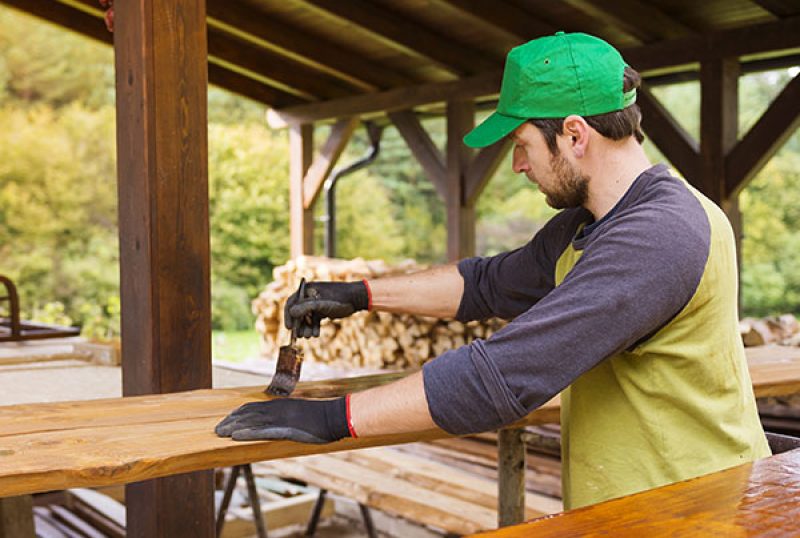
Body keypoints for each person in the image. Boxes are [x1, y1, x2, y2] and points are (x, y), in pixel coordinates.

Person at [216, 31, 770, 509]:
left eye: (522, 143)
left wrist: (331, 419)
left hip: (699, 509)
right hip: (643, 506)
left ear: (575, 135)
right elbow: (486, 284)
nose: (517, 164)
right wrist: (358, 294)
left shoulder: (657, 235)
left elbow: (505, 376)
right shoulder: (590, 222)